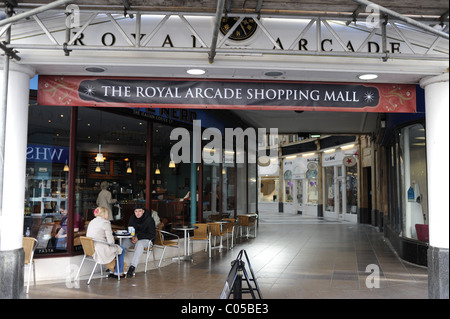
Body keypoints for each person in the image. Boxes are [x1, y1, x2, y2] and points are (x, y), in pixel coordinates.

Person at [86, 206, 125, 278]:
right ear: (104, 214)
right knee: (121, 249)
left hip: (91, 249)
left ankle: (111, 270)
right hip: (101, 249)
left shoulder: (92, 221)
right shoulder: (105, 223)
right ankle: (117, 272)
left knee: (115, 249)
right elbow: (111, 241)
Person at [122, 204, 156, 278]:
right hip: (135, 239)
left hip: (147, 240)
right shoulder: (132, 218)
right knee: (123, 242)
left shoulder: (149, 219)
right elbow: (130, 230)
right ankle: (118, 264)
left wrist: (138, 237)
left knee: (140, 243)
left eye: (139, 211)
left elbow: (152, 234)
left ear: (143, 211)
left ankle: (132, 267)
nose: (138, 213)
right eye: (136, 211)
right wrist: (132, 238)